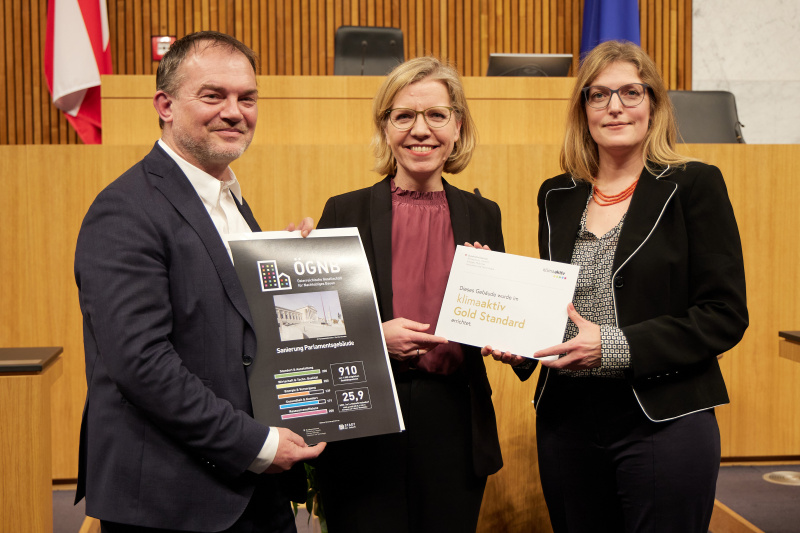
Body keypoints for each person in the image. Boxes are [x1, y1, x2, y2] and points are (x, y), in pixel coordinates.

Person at [484, 40, 748, 532]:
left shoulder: (694, 185)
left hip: (664, 417)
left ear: (654, 103)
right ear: (582, 109)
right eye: (599, 95)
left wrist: (613, 344)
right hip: (567, 421)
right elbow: (558, 305)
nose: (615, 107)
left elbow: (724, 314)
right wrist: (521, 343)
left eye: (631, 92)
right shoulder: (557, 195)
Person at [74, 31, 325, 533]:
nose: (235, 111)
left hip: (250, 487)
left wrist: (300, 273)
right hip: (172, 499)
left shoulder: (227, 199)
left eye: (247, 98)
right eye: (213, 95)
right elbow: (142, 364)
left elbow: (236, 331)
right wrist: (255, 444)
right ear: (165, 105)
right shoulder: (125, 208)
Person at [314, 56, 504, 533]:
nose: (422, 130)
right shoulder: (343, 211)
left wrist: (513, 344)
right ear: (386, 127)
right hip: (365, 417)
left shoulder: (484, 214)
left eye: (437, 115)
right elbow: (312, 330)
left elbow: (501, 321)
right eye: (404, 116)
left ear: (457, 126)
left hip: (454, 421)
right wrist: (374, 337)